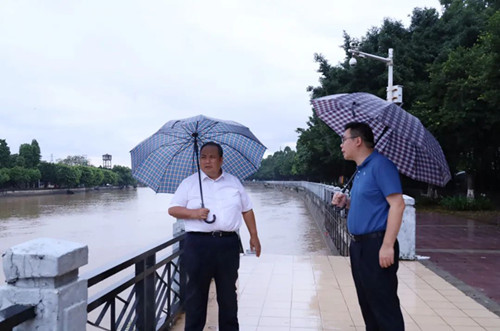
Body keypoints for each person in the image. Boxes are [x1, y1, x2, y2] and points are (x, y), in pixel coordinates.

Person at [168, 141, 261, 331]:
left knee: (228, 295)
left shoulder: (234, 182)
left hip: (228, 244)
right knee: (196, 296)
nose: (207, 161)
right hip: (198, 245)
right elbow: (173, 209)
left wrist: (254, 236)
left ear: (221, 160)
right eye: (203, 157)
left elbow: (247, 210)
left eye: (211, 157)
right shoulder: (189, 183)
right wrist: (194, 213)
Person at [332, 122, 405, 331]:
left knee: (384, 308)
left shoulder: (381, 165)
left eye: (343, 139)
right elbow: (369, 204)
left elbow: (397, 204)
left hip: (377, 246)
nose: (341, 145)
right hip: (359, 247)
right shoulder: (361, 170)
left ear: (357, 141)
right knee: (368, 306)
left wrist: (388, 245)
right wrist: (346, 202)